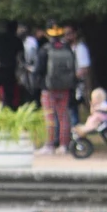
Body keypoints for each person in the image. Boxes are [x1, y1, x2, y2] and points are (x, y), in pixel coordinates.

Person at [38, 23, 79, 153]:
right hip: (65, 88)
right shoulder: (67, 49)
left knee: (49, 116)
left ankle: (49, 145)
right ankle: (64, 145)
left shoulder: (45, 49)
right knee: (63, 116)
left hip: (48, 88)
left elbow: (39, 70)